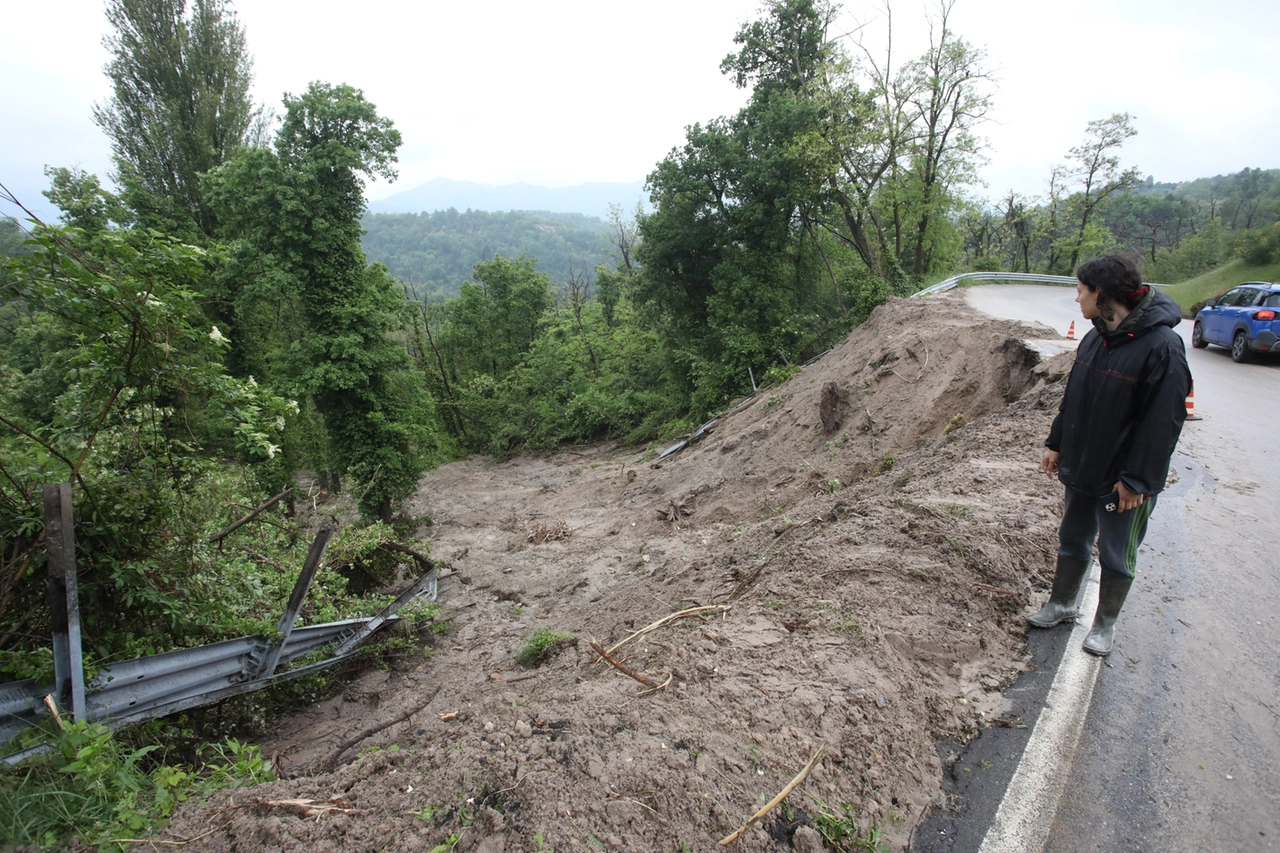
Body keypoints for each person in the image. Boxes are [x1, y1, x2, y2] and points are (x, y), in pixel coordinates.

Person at [1030, 254, 1192, 656]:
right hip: (1083, 465)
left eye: (1081, 290)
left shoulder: (1162, 348)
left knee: (1117, 555)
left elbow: (1163, 424)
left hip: (1123, 481)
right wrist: (1057, 442)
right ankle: (1062, 604)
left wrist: (1137, 479)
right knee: (1072, 539)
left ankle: (1105, 625)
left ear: (1100, 293)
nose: (1077, 299)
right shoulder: (1096, 335)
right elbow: (1075, 397)